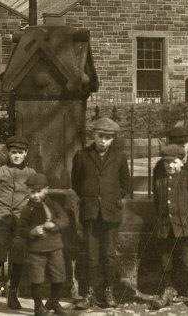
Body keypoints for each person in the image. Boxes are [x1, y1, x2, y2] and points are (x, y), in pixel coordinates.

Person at [70, 116, 132, 309]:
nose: (103, 140)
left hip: (110, 213)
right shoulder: (81, 155)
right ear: (93, 135)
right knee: (91, 255)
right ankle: (89, 293)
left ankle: (108, 292)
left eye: (108, 137)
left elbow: (126, 183)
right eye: (100, 136)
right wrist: (90, 198)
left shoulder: (120, 156)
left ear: (113, 139)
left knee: (109, 255)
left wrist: (112, 199)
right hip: (90, 213)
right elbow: (76, 183)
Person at [0, 136, 36, 312]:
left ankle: (12, 295)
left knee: (18, 259)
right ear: (8, 153)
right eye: (13, 152)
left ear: (25, 154)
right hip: (2, 221)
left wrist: (29, 214)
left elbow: (36, 196)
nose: (16, 155)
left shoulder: (31, 174)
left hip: (20, 223)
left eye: (20, 152)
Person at [149, 144, 188, 310]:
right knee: (165, 261)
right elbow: (157, 204)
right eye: (166, 162)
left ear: (181, 162)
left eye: (174, 162)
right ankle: (167, 291)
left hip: (185, 229)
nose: (170, 166)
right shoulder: (160, 181)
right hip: (165, 229)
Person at [18, 173, 71, 316]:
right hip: (35, 250)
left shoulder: (54, 205)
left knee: (59, 277)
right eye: (32, 192)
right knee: (37, 279)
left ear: (46, 189)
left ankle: (53, 302)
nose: (35, 195)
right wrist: (32, 231)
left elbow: (65, 220)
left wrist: (54, 224)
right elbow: (20, 229)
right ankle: (38, 307)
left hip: (55, 247)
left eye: (38, 191)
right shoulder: (26, 210)